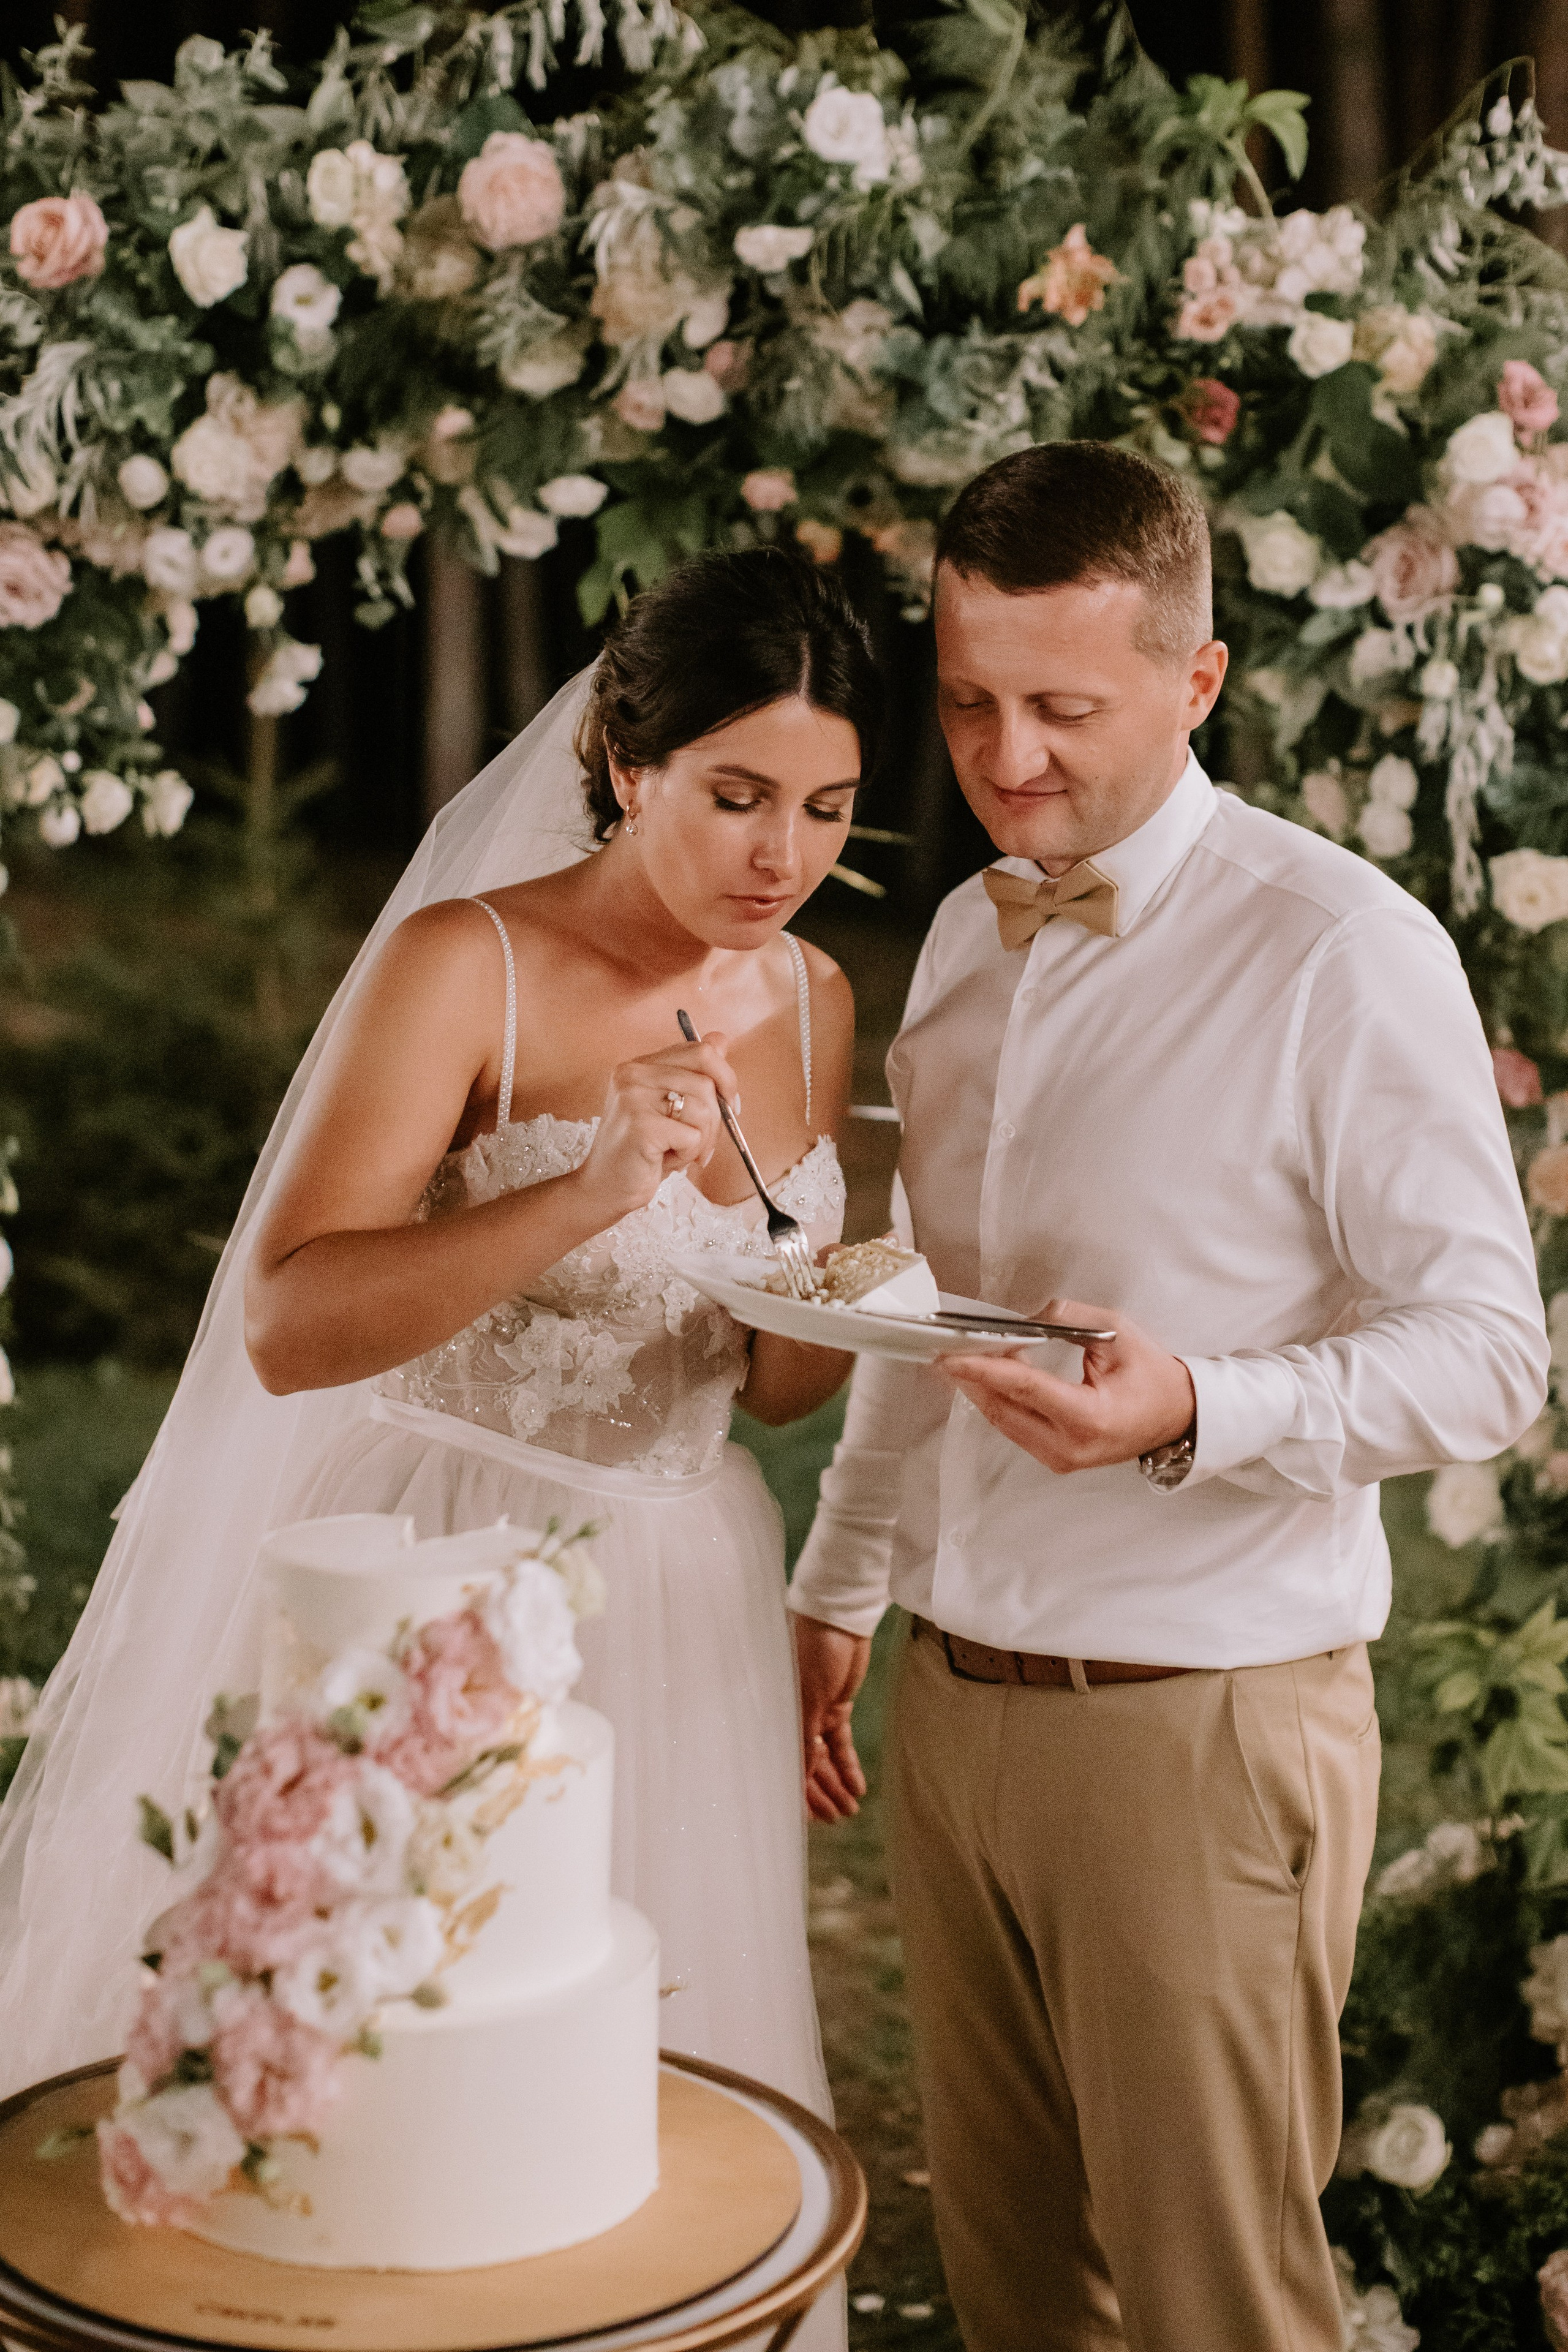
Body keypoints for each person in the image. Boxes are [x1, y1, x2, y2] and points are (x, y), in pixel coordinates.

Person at [0, 551, 872, 2347]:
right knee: (385, 2108)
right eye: (735, 796)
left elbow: (773, 1390)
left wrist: (847, 1294)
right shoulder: (467, 962)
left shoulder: (811, 995)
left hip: (684, 1574)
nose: (776, 855)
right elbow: (293, 1319)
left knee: (623, 2110)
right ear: (631, 765)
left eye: (823, 809)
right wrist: (593, 1196)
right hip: (442, 1568)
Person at [790, 442, 1549, 2352]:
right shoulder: (966, 938)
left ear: (1197, 683)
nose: (1005, 756)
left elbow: (1491, 1353)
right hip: (954, 1715)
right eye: (969, 701)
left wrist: (1201, 1403)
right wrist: (840, 1584)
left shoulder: (1343, 953)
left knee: (1220, 2309)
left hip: (1198, 1728)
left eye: (1065, 706)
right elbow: (928, 1307)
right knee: (1020, 2296)